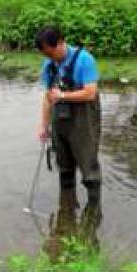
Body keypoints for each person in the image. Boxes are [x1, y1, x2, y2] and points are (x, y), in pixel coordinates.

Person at [35, 25, 103, 201]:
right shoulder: (49, 65)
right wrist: (43, 125)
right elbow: (48, 97)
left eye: (50, 53)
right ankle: (66, 208)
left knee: (89, 168)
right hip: (61, 120)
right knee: (64, 166)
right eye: (45, 55)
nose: (49, 58)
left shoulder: (84, 60)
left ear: (60, 43)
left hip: (84, 119)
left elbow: (90, 93)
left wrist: (63, 95)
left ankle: (93, 212)